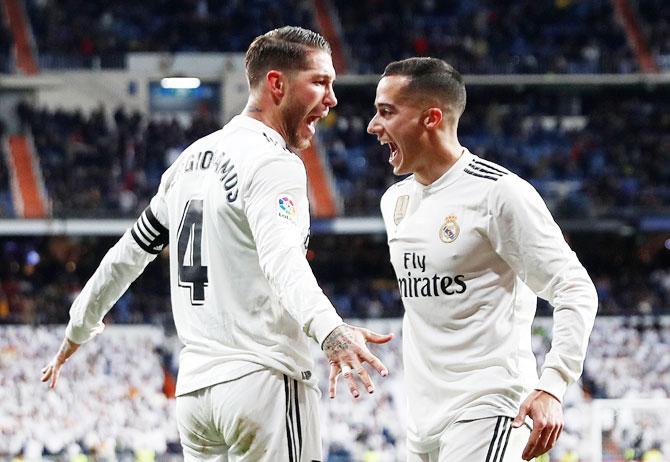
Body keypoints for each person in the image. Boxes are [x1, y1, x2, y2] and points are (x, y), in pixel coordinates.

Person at [41, 26, 393, 461]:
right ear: (277, 85)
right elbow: (282, 259)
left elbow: (127, 256)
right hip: (262, 379)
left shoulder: (187, 163)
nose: (332, 98)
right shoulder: (273, 162)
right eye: (320, 82)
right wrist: (331, 331)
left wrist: (78, 328)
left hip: (196, 397)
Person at [366, 57, 598, 462]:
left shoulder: (499, 195)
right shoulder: (395, 201)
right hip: (422, 420)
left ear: (431, 118)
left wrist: (552, 385)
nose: (373, 126)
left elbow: (574, 287)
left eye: (386, 112)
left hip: (490, 408)